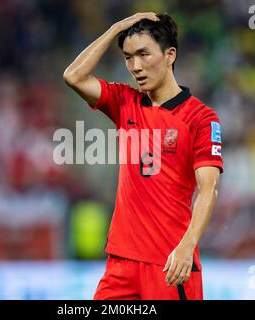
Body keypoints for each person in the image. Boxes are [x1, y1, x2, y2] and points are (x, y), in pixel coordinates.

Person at [63, 12, 223, 300]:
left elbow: (209, 189)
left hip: (170, 264)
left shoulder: (201, 119)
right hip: (120, 265)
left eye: (143, 54)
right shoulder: (124, 102)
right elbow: (73, 76)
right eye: (128, 57)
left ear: (170, 54)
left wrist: (187, 247)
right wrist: (116, 29)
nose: (135, 66)